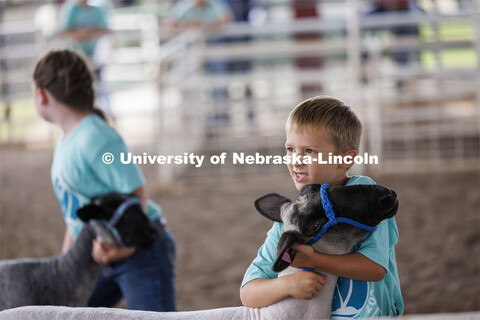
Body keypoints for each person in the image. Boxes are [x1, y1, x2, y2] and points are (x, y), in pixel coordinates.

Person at [32, 50, 176, 311]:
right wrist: (67, 261)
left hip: (140, 252)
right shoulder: (68, 140)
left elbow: (137, 191)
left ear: (41, 94)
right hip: (97, 254)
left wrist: (126, 248)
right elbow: (76, 211)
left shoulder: (97, 137)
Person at [240, 96, 403, 318]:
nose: (296, 160)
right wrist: (287, 285)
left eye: (310, 151)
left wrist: (314, 261)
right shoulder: (291, 218)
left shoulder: (367, 199)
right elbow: (248, 291)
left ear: (345, 160)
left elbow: (375, 268)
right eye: (290, 149)